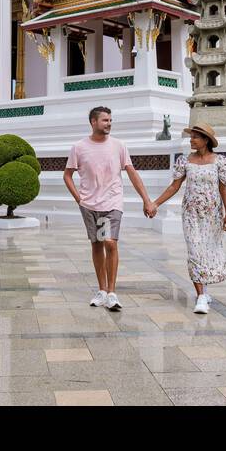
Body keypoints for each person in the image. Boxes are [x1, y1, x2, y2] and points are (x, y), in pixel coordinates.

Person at [63, 106, 154, 312]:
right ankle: (102, 290)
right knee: (97, 244)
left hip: (112, 203)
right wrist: (79, 198)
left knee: (110, 243)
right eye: (105, 120)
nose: (109, 124)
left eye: (111, 120)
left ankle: (112, 292)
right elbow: (67, 175)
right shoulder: (79, 147)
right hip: (89, 204)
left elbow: (131, 173)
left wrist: (146, 200)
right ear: (93, 122)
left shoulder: (119, 146)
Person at [149, 123, 226, 314]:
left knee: (209, 251)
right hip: (191, 214)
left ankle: (205, 289)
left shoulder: (219, 161)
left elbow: (224, 189)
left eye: (195, 137)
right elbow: (174, 187)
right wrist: (155, 204)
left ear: (205, 140)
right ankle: (201, 296)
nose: (191, 140)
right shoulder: (185, 161)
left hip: (212, 214)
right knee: (194, 251)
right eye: (191, 136)